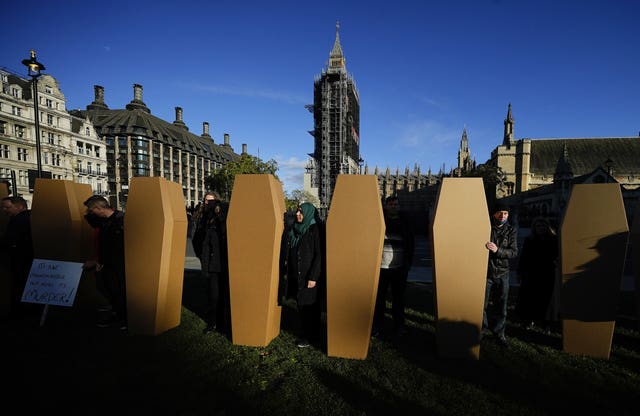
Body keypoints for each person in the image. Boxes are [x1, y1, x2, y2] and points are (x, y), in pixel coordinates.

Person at [279, 202, 323, 348]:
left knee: (309, 307)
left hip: (308, 276)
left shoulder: (314, 229)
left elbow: (319, 255)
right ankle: (310, 333)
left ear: (308, 213)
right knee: (301, 305)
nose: (298, 214)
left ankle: (309, 336)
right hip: (296, 274)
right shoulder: (295, 229)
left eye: (300, 212)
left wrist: (313, 277)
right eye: (297, 211)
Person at [82, 195, 127, 330]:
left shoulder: (120, 220)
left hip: (119, 264)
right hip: (107, 263)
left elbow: (118, 247)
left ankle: (124, 317)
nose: (90, 213)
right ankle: (118, 314)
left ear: (98, 208)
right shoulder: (104, 221)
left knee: (119, 291)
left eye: (91, 210)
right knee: (109, 289)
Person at [373, 196, 415, 338]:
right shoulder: (380, 221)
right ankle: (377, 325)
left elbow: (411, 243)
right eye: (390, 204)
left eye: (395, 204)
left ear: (399, 206)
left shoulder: (405, 222)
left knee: (399, 299)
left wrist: (408, 263)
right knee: (379, 299)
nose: (393, 206)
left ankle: (399, 326)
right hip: (381, 267)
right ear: (386, 206)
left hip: (399, 267)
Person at [483, 202, 519, 346]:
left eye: (506, 213)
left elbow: (514, 252)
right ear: (494, 214)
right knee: (482, 305)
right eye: (500, 213)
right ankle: (482, 330)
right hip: (486, 273)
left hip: (503, 273)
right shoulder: (486, 228)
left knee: (502, 305)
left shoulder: (511, 230)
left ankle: (500, 332)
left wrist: (498, 250)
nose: (503, 216)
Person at [515, 217, 559, 332]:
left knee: (545, 298)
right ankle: (529, 320)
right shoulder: (529, 240)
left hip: (547, 273)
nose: (541, 228)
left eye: (543, 226)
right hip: (531, 273)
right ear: (534, 228)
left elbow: (557, 255)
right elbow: (523, 257)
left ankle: (545, 322)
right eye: (538, 226)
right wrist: (520, 272)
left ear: (547, 227)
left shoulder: (554, 240)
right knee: (530, 298)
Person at [1, 196, 36, 319]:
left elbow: (11, 240)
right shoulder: (30, 217)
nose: (4, 210)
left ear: (20, 206)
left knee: (19, 287)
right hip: (27, 260)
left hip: (20, 261)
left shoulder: (19, 220)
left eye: (7, 207)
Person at [200, 199, 231, 336]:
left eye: (219, 209)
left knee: (225, 297)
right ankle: (213, 323)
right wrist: (205, 267)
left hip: (227, 267)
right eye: (216, 210)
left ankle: (225, 323)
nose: (217, 212)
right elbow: (206, 247)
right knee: (214, 297)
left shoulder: (226, 225)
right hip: (215, 267)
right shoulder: (211, 226)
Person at [192, 191, 219, 263]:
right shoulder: (200, 214)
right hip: (202, 250)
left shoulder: (218, 214)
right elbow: (194, 234)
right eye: (206, 200)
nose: (207, 203)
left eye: (210, 201)